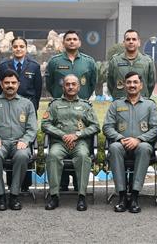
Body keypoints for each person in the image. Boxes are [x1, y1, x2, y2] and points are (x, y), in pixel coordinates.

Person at [45, 30, 97, 191]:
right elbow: (49, 82)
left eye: (75, 39)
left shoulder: (89, 62)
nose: (72, 42)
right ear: (64, 43)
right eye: (68, 39)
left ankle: (78, 186)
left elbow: (92, 82)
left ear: (79, 42)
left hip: (82, 110)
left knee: (80, 150)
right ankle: (61, 185)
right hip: (60, 107)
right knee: (58, 149)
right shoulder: (54, 61)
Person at [102, 71, 157, 213]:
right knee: (114, 147)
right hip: (121, 145)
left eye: (135, 82)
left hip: (141, 145)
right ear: (124, 85)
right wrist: (120, 138)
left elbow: (156, 128)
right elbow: (107, 127)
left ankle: (134, 197)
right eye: (129, 82)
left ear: (141, 85)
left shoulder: (149, 105)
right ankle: (122, 196)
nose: (132, 85)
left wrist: (139, 139)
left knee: (145, 147)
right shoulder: (116, 105)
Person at [41, 74, 99, 211]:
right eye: (68, 84)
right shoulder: (54, 105)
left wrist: (77, 135)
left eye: (74, 84)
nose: (71, 87)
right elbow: (45, 124)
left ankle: (82, 197)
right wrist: (63, 136)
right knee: (53, 156)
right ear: (63, 86)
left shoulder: (85, 106)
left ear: (79, 87)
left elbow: (95, 126)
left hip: (80, 143)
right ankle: (54, 196)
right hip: (60, 143)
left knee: (84, 157)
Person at [0, 70, 38, 211]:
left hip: (19, 142)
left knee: (23, 155)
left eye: (13, 83)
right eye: (7, 83)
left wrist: (25, 140)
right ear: (1, 84)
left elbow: (32, 127)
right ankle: (0, 196)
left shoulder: (27, 104)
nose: (10, 85)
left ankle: (14, 195)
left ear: (18, 84)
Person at [0, 36, 41, 192]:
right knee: (9, 139)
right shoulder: (3, 66)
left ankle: (25, 185)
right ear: (12, 48)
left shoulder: (34, 66)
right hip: (7, 108)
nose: (19, 49)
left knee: (23, 145)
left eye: (22, 46)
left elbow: (37, 91)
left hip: (26, 110)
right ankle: (11, 184)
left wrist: (32, 110)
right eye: (15, 46)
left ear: (26, 48)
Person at [107, 29, 156, 99]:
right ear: (124, 43)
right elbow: (110, 84)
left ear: (139, 42)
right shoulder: (115, 61)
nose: (131, 41)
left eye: (134, 39)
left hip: (142, 102)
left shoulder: (147, 61)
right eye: (128, 39)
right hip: (120, 102)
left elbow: (151, 84)